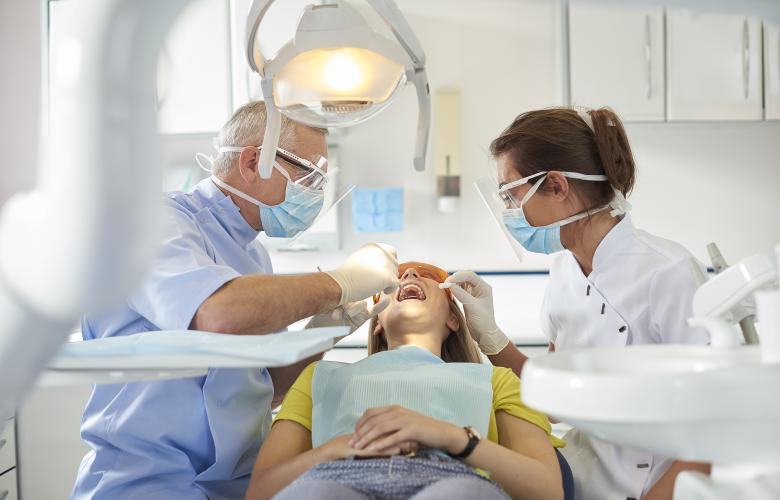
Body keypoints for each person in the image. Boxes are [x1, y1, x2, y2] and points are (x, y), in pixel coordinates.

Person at [71, 101, 400, 500]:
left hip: (232, 486)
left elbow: (266, 388)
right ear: (251, 162)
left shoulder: (253, 257)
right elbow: (215, 313)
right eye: (308, 176)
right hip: (145, 483)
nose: (314, 195)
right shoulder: (153, 224)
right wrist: (343, 281)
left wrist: (328, 326)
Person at [445, 107, 711, 500]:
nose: (508, 211)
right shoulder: (564, 273)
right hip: (585, 480)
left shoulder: (667, 272)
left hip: (658, 487)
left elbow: (712, 431)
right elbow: (555, 401)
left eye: (511, 193)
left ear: (555, 185)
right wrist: (492, 339)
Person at [246, 261, 574, 500]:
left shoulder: (497, 381)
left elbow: (546, 489)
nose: (409, 275)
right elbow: (261, 490)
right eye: (397, 277)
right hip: (335, 476)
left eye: (427, 275)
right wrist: (337, 448)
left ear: (453, 320)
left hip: (452, 479)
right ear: (376, 323)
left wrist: (449, 437)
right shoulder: (319, 377)